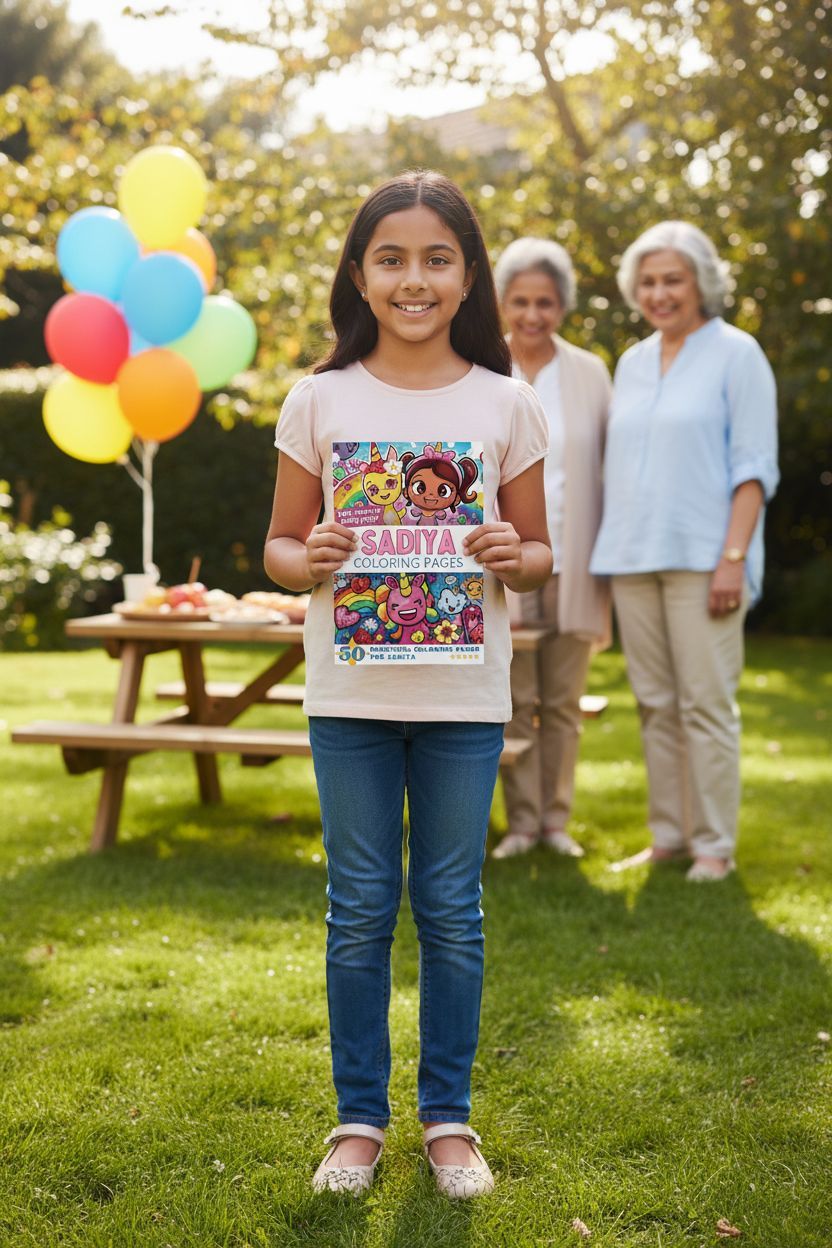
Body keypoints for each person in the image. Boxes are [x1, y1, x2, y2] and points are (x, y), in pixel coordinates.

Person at [264, 172, 552, 1197]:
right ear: (359, 274)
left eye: (436, 258)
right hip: (348, 692)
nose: (413, 278)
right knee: (358, 907)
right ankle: (356, 1119)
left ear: (466, 275)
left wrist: (514, 550)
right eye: (391, 258)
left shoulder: (503, 400)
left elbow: (542, 552)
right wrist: (317, 558)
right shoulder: (320, 397)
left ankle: (447, 1122)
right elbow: (279, 549)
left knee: (449, 907)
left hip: (463, 694)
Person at [590, 221, 779, 882]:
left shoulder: (738, 353)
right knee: (655, 703)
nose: (659, 293)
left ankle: (713, 846)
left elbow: (753, 468)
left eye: (672, 279)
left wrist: (734, 557)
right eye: (647, 281)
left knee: (704, 703)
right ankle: (668, 836)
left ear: (701, 281)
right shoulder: (633, 362)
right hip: (634, 554)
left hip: (706, 557)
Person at [490, 238, 612, 860]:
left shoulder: (590, 372)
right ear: (502, 303)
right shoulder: (482, 366)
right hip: (504, 562)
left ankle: (556, 822)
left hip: (575, 557)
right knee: (513, 699)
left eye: (545, 302)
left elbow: (606, 468)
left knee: (562, 700)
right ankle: (522, 823)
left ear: (562, 305)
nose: (533, 315)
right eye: (521, 301)